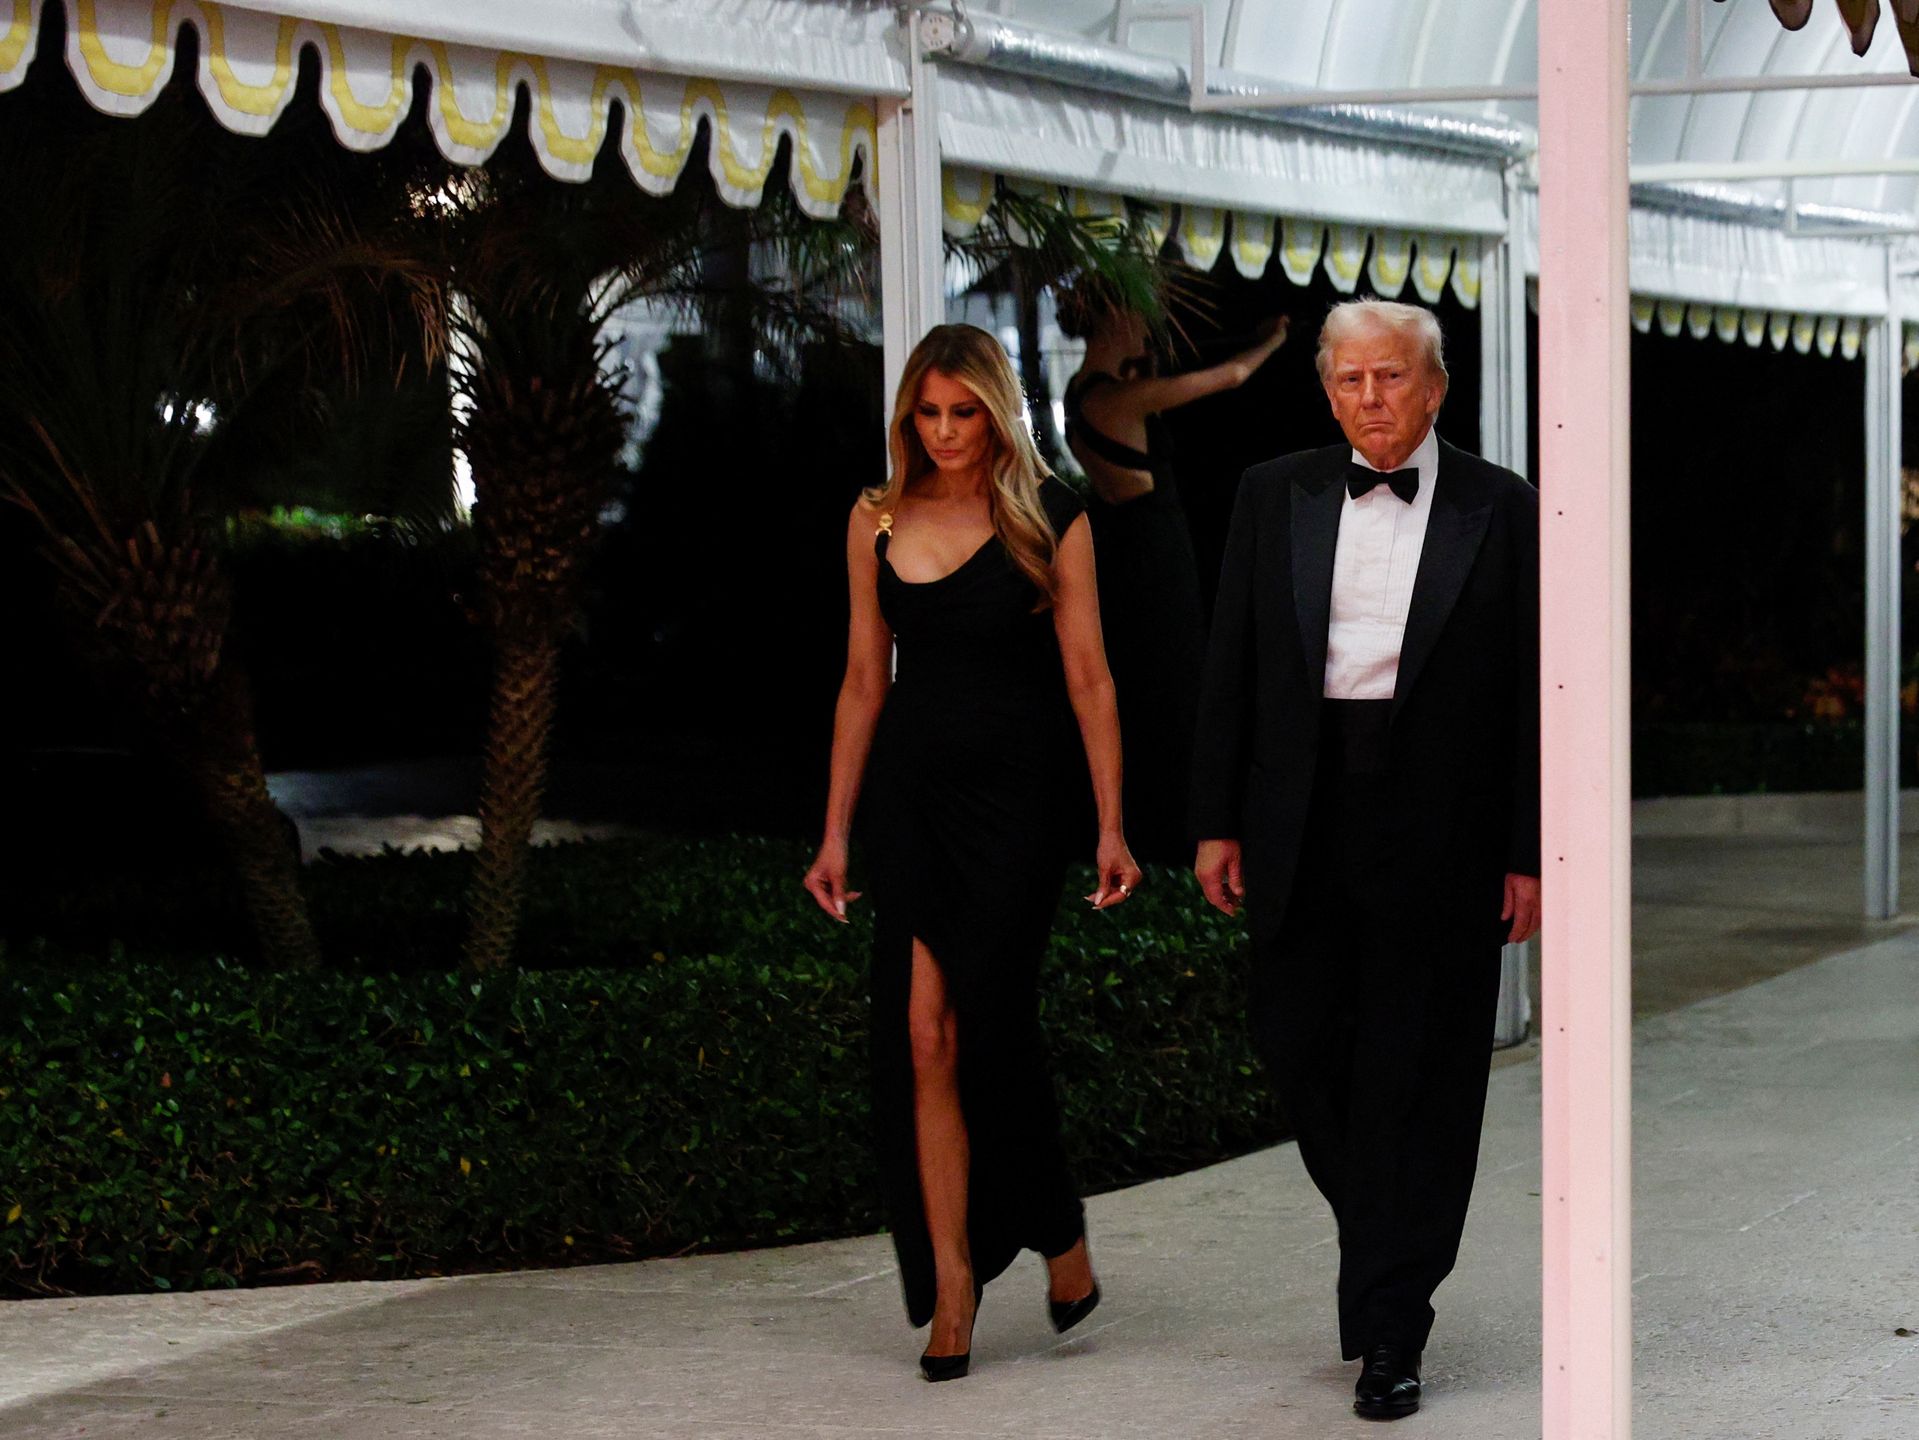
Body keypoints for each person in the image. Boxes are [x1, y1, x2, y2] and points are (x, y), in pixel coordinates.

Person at [1187, 298, 1540, 1421]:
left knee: (1423, 1070)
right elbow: (1230, 661)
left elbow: (1533, 690)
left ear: (1434, 389)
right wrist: (1214, 819)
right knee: (1294, 1042)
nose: (1370, 398)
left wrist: (1528, 850)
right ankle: (1388, 1237)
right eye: (1349, 379)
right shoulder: (1271, 492)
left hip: (1444, 821)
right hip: (1301, 806)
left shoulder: (1501, 505)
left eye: (1390, 377)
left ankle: (1393, 1323)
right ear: (1327, 391)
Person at [804, 323, 1142, 1382]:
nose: (945, 432)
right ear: (907, 415)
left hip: (1018, 801)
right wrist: (834, 831)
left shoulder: (1052, 514)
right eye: (928, 413)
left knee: (993, 1029)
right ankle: (952, 1284)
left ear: (996, 413)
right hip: (911, 799)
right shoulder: (873, 517)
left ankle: (1057, 1230)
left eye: (964, 412)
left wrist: (1110, 825)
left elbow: (1090, 677)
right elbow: (863, 680)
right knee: (924, 1038)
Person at [1058, 291, 1290, 860]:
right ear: (1114, 316)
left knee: (1161, 684)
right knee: (1174, 687)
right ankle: (1171, 834)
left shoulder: (1086, 392)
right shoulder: (1115, 399)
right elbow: (1231, 376)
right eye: (1140, 311)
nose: (1150, 324)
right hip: (1152, 553)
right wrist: (1273, 341)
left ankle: (1166, 829)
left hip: (1134, 546)